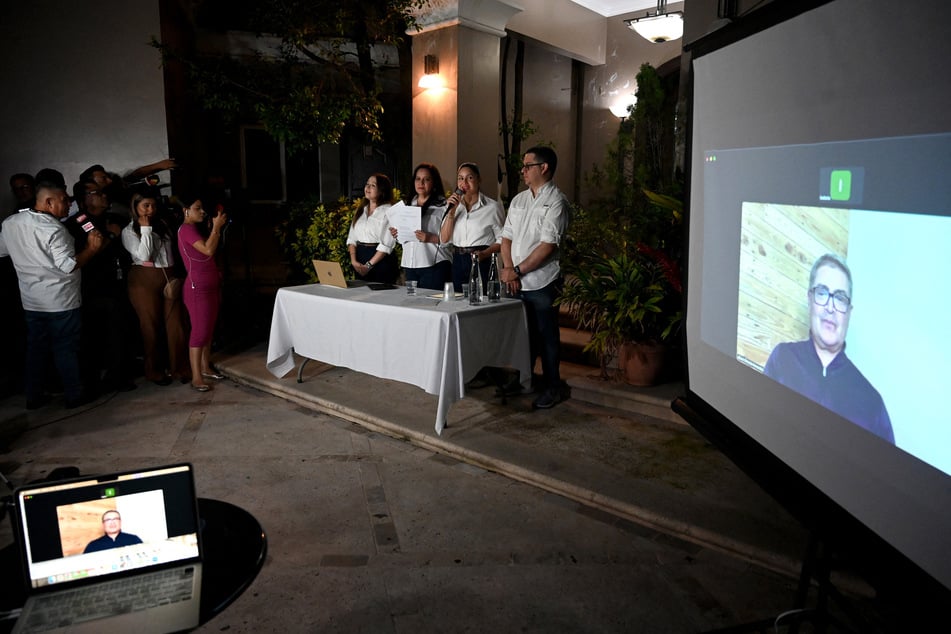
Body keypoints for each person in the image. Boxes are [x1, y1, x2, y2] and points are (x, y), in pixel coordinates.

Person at [764, 254, 894, 443]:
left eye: (840, 298)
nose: (830, 308)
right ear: (810, 299)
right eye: (822, 293)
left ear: (849, 312)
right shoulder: (782, 359)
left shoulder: (872, 403)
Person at [0, 181, 103, 409]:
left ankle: (33, 396)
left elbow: (3, 251)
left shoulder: (11, 223)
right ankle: (74, 395)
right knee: (65, 348)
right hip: (61, 300)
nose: (69, 204)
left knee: (36, 349)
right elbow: (67, 266)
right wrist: (92, 250)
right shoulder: (54, 229)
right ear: (49, 202)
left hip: (32, 301)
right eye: (64, 200)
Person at [500, 146, 571, 410]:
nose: (523, 171)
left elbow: (547, 246)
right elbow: (506, 238)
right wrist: (509, 270)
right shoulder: (519, 200)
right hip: (516, 280)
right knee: (522, 335)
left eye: (528, 166)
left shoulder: (556, 202)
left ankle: (553, 387)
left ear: (544, 168)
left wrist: (517, 271)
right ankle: (523, 380)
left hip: (542, 281)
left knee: (547, 336)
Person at [67, 179, 137, 393]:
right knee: (93, 335)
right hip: (92, 288)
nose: (104, 196)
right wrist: (113, 234)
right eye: (97, 192)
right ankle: (93, 380)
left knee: (117, 330)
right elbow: (96, 246)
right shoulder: (82, 221)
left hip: (113, 284)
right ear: (84, 200)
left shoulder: (107, 217)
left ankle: (117, 375)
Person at [122, 189, 189, 386]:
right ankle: (153, 370)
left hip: (168, 275)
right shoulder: (129, 230)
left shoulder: (164, 224)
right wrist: (145, 229)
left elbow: (172, 252)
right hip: (144, 278)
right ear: (135, 208)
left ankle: (180, 367)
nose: (150, 210)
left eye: (153, 205)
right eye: (145, 206)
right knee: (150, 325)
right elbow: (144, 256)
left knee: (175, 323)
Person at [177, 195, 228, 392]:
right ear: (185, 211)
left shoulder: (195, 229)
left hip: (211, 286)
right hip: (197, 289)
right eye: (197, 208)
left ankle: (205, 367)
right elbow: (208, 250)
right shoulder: (186, 230)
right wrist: (216, 228)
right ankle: (196, 376)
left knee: (208, 329)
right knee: (199, 331)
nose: (202, 211)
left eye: (202, 208)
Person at [440, 162, 505, 292]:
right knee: (459, 301)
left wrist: (485, 254)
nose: (464, 182)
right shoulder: (452, 206)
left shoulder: (492, 207)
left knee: (481, 302)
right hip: (458, 260)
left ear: (478, 179)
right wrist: (451, 212)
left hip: (482, 260)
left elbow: (503, 239)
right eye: (460, 178)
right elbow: (444, 239)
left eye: (469, 178)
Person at [390, 163, 450, 290]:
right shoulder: (407, 205)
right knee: (413, 306)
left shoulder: (443, 206)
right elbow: (403, 240)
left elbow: (451, 239)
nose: (421, 182)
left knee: (432, 305)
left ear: (434, 183)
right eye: (418, 179)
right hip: (410, 264)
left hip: (434, 264)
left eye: (426, 179)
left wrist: (430, 238)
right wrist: (397, 234)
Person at [346, 173, 398, 284]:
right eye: (367, 184)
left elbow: (386, 244)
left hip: (380, 261)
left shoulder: (389, 211)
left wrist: (368, 265)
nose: (368, 188)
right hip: (360, 258)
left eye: (373, 185)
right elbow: (352, 239)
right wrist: (354, 261)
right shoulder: (361, 210)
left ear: (382, 190)